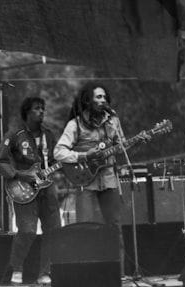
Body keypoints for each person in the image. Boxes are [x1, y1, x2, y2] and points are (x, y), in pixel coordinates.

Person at [54, 82, 137, 272]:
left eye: (104, 97)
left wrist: (138, 141)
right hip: (86, 181)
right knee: (86, 229)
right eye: (98, 97)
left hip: (109, 178)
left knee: (115, 227)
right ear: (88, 101)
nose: (103, 100)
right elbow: (58, 152)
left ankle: (119, 274)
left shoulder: (113, 121)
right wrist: (83, 156)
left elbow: (122, 148)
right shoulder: (75, 124)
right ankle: (88, 275)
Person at [0, 97, 61, 285]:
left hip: (48, 189)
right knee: (27, 230)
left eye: (42, 109)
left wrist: (64, 164)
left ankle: (44, 272)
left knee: (53, 230)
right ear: (27, 112)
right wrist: (19, 175)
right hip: (23, 189)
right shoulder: (15, 134)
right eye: (36, 109)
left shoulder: (49, 135)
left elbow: (57, 160)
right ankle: (17, 267)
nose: (41, 112)